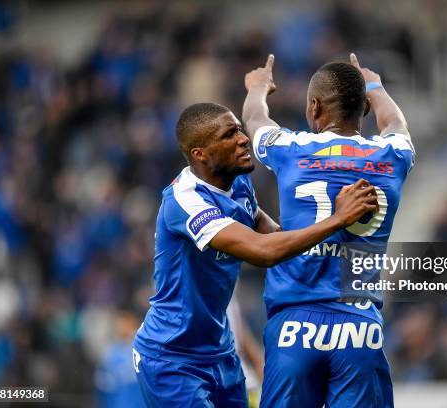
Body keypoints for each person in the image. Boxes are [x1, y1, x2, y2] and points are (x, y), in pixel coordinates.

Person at [133, 102, 379, 407]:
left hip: (220, 351)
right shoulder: (185, 202)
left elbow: (276, 237)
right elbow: (264, 252)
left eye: (239, 128)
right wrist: (336, 219)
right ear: (200, 154)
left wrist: (338, 234)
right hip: (172, 358)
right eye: (228, 135)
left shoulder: (238, 183)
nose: (243, 138)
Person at [242, 53, 415, 407]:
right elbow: (397, 124)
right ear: (364, 109)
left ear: (315, 107)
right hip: (359, 328)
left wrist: (258, 87)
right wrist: (375, 86)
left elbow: (254, 118)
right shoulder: (392, 155)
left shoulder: (291, 148)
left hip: (294, 328)